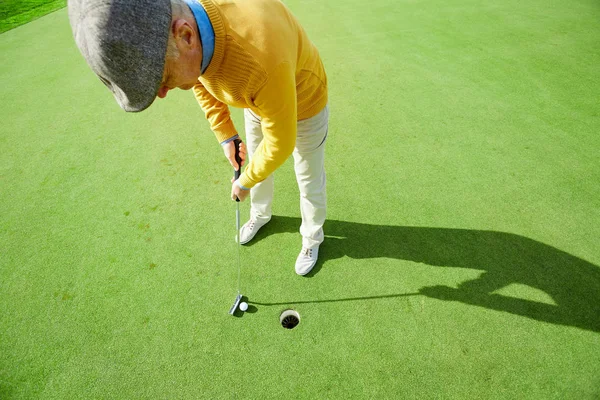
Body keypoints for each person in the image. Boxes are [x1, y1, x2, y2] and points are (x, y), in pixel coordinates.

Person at [68, 0, 329, 275]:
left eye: (164, 79)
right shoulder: (192, 27)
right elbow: (198, 75)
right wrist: (227, 134)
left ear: (186, 35)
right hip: (256, 97)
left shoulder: (263, 59)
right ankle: (260, 214)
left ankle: (312, 237)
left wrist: (244, 181)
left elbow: (280, 144)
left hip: (304, 102)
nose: (163, 93)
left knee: (308, 177)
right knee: (253, 162)